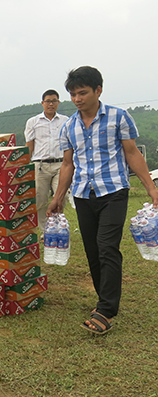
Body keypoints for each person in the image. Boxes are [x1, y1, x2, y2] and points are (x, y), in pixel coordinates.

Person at [47, 66, 158, 335]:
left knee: (107, 246)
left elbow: (132, 154)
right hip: (83, 195)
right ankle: (103, 302)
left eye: (82, 93)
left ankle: (106, 310)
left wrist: (151, 189)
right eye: (73, 94)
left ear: (98, 90)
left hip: (114, 192)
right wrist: (58, 197)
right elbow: (67, 164)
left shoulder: (119, 117)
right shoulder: (69, 126)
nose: (77, 99)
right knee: (93, 251)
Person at [24, 90, 70, 231]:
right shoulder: (33, 122)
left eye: (54, 101)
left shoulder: (66, 120)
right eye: (48, 101)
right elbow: (29, 145)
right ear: (42, 103)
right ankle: (46, 230)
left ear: (58, 103)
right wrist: (25, 165)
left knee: (61, 197)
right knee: (40, 199)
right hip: (40, 165)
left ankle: (57, 227)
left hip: (61, 164)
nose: (51, 104)